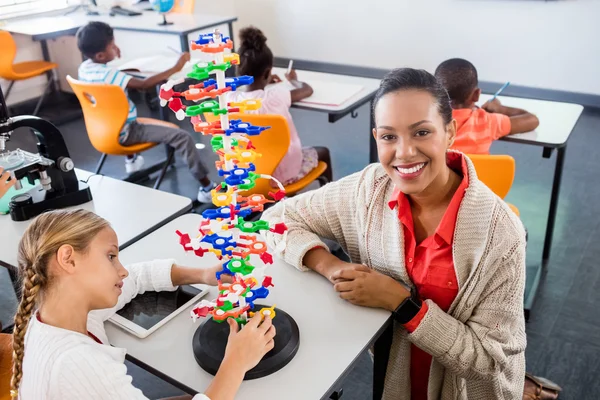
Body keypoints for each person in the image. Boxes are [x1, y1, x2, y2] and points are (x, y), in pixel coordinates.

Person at [262, 68, 527, 399]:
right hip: (395, 381)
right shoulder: (368, 189)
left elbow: (490, 363)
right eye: (389, 136)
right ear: (376, 138)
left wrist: (402, 304)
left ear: (450, 131)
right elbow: (275, 219)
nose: (404, 153)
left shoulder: (499, 234)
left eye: (421, 133)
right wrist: (332, 266)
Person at [10, 209, 275, 399]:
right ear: (68, 259)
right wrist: (236, 362)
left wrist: (203, 275)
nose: (122, 270)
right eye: (111, 256)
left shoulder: (55, 314)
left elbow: (137, 277)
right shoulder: (80, 365)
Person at [76, 21, 216, 203]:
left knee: (121, 111)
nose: (116, 48)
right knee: (182, 137)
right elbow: (144, 85)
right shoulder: (112, 75)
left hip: (102, 131)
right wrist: (177, 67)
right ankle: (207, 187)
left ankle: (132, 163)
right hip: (127, 132)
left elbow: (108, 75)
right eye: (112, 45)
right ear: (101, 55)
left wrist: (115, 64)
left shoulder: (84, 69)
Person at [225, 26, 333, 184]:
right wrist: (293, 80)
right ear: (268, 72)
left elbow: (233, 87)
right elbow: (307, 90)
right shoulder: (276, 96)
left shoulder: (229, 99)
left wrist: (259, 78)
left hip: (247, 174)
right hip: (282, 174)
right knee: (323, 152)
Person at [435, 58, 539, 154]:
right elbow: (532, 120)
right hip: (475, 174)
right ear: (476, 95)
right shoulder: (487, 122)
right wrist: (500, 108)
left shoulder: (424, 121)